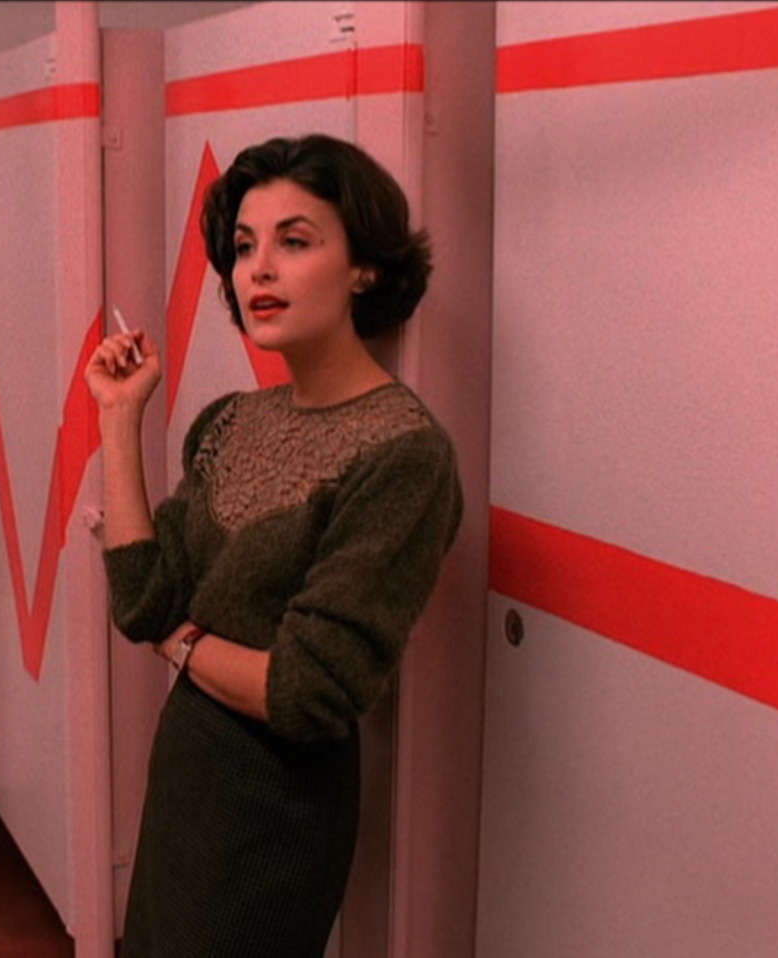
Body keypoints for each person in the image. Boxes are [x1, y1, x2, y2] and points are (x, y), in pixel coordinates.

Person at [84, 133, 463, 958]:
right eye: (245, 247)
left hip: (275, 811)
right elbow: (142, 598)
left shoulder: (405, 455)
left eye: (295, 242)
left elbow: (306, 690)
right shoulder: (231, 421)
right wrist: (119, 418)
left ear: (365, 268)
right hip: (186, 773)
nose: (258, 270)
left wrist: (183, 644)